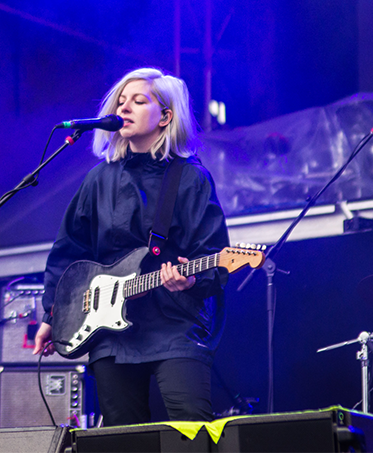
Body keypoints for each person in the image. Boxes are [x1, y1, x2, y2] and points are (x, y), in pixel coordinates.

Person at [33, 68, 229, 425]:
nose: (124, 108)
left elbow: (213, 253)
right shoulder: (99, 179)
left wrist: (191, 280)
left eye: (138, 101)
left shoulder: (190, 178)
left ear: (166, 116)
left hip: (175, 324)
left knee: (192, 425)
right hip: (109, 333)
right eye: (120, 101)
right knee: (123, 435)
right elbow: (68, 250)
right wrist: (53, 315)